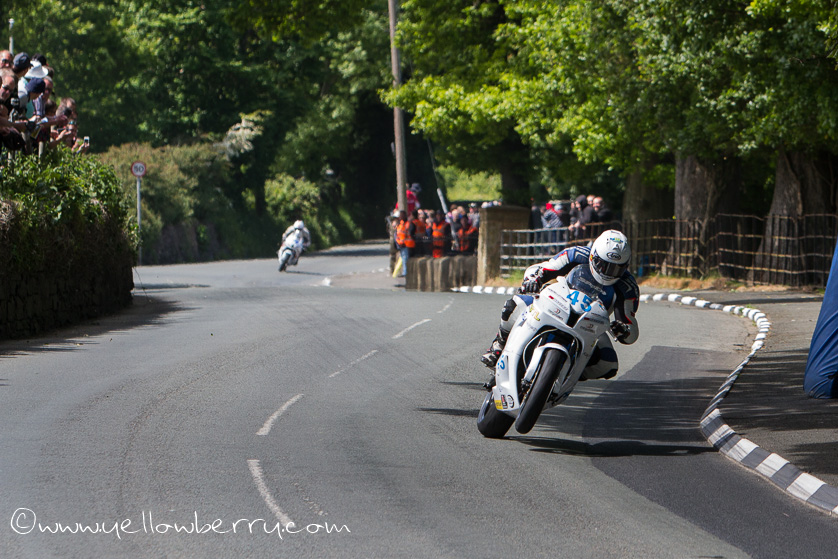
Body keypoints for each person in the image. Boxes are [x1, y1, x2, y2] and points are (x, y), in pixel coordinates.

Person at [480, 230, 639, 382]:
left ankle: (567, 374)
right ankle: (499, 345)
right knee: (515, 304)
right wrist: (533, 280)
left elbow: (629, 326)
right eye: (602, 264)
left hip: (590, 324)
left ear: (625, 266)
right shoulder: (576, 254)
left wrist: (623, 330)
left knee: (608, 364)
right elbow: (543, 268)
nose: (608, 272)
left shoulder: (628, 287)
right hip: (555, 303)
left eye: (616, 268)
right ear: (593, 255)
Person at [393, 210, 416, 277]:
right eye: (400, 215)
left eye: (402, 215)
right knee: (403, 259)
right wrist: (398, 243)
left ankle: (406, 272)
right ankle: (404, 272)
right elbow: (398, 234)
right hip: (401, 245)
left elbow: (410, 233)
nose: (400, 217)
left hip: (407, 244)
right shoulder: (400, 224)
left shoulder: (408, 224)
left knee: (405, 258)